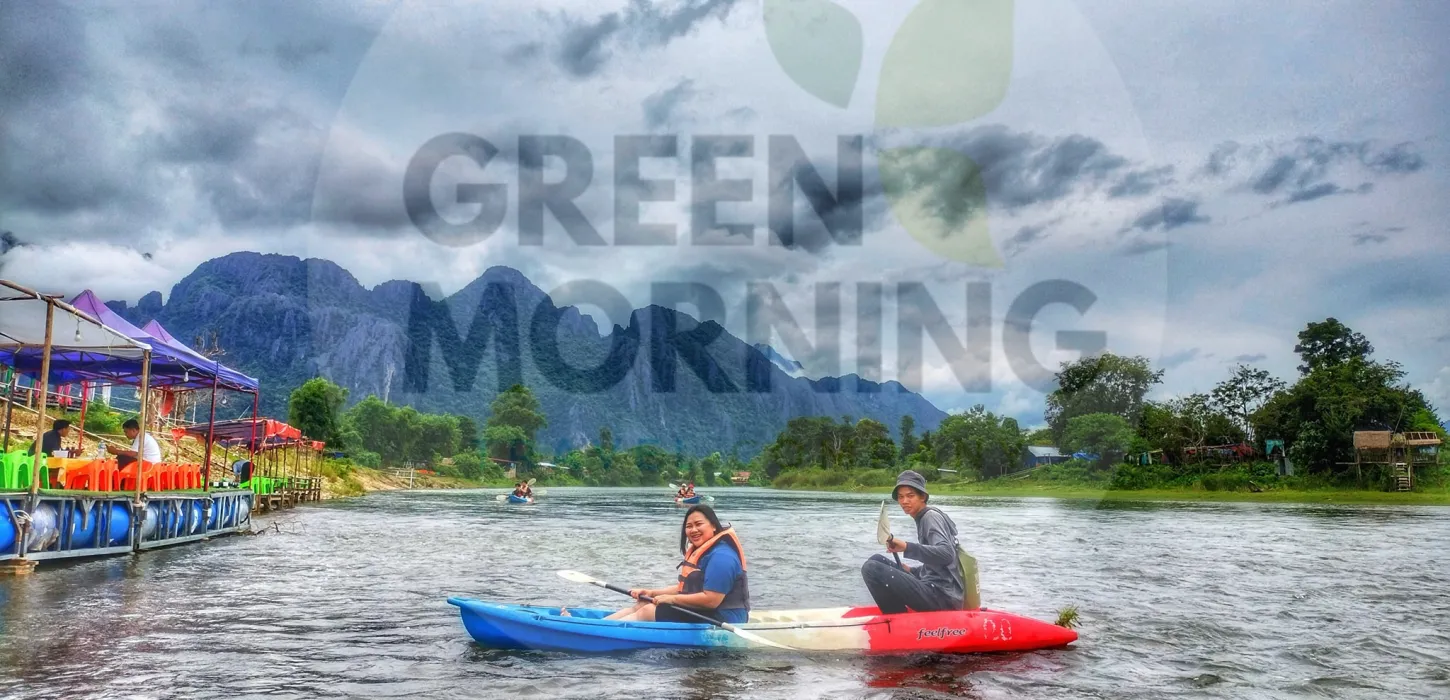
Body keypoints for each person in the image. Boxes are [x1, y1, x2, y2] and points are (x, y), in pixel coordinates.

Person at [605, 504, 750, 623]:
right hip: (708, 611)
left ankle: (602, 632)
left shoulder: (722, 557)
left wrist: (672, 599)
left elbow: (712, 600)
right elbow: (686, 588)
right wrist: (652, 593)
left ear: (713, 526)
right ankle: (599, 626)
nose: (693, 530)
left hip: (727, 617)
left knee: (648, 611)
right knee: (643, 604)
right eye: (689, 526)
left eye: (698, 524)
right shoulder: (705, 552)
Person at [860, 470, 964, 614]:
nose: (904, 501)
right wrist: (913, 570)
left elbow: (947, 555)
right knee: (876, 560)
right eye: (901, 497)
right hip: (933, 586)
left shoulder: (930, 517)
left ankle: (895, 618)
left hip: (942, 596)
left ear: (922, 497)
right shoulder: (922, 517)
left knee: (871, 568)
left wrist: (907, 547)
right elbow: (937, 566)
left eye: (910, 496)